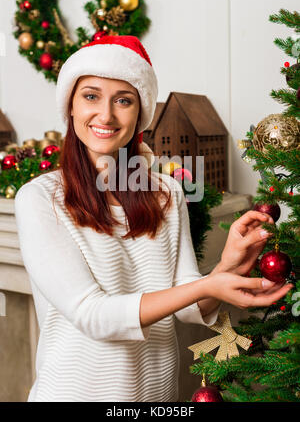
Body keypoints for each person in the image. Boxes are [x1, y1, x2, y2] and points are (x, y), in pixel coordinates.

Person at [14, 35, 293, 402]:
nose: (106, 115)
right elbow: (93, 315)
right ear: (70, 105)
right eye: (91, 96)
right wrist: (206, 286)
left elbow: (190, 305)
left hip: (157, 396)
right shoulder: (39, 199)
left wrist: (229, 263)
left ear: (140, 113)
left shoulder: (167, 193)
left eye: (123, 100)